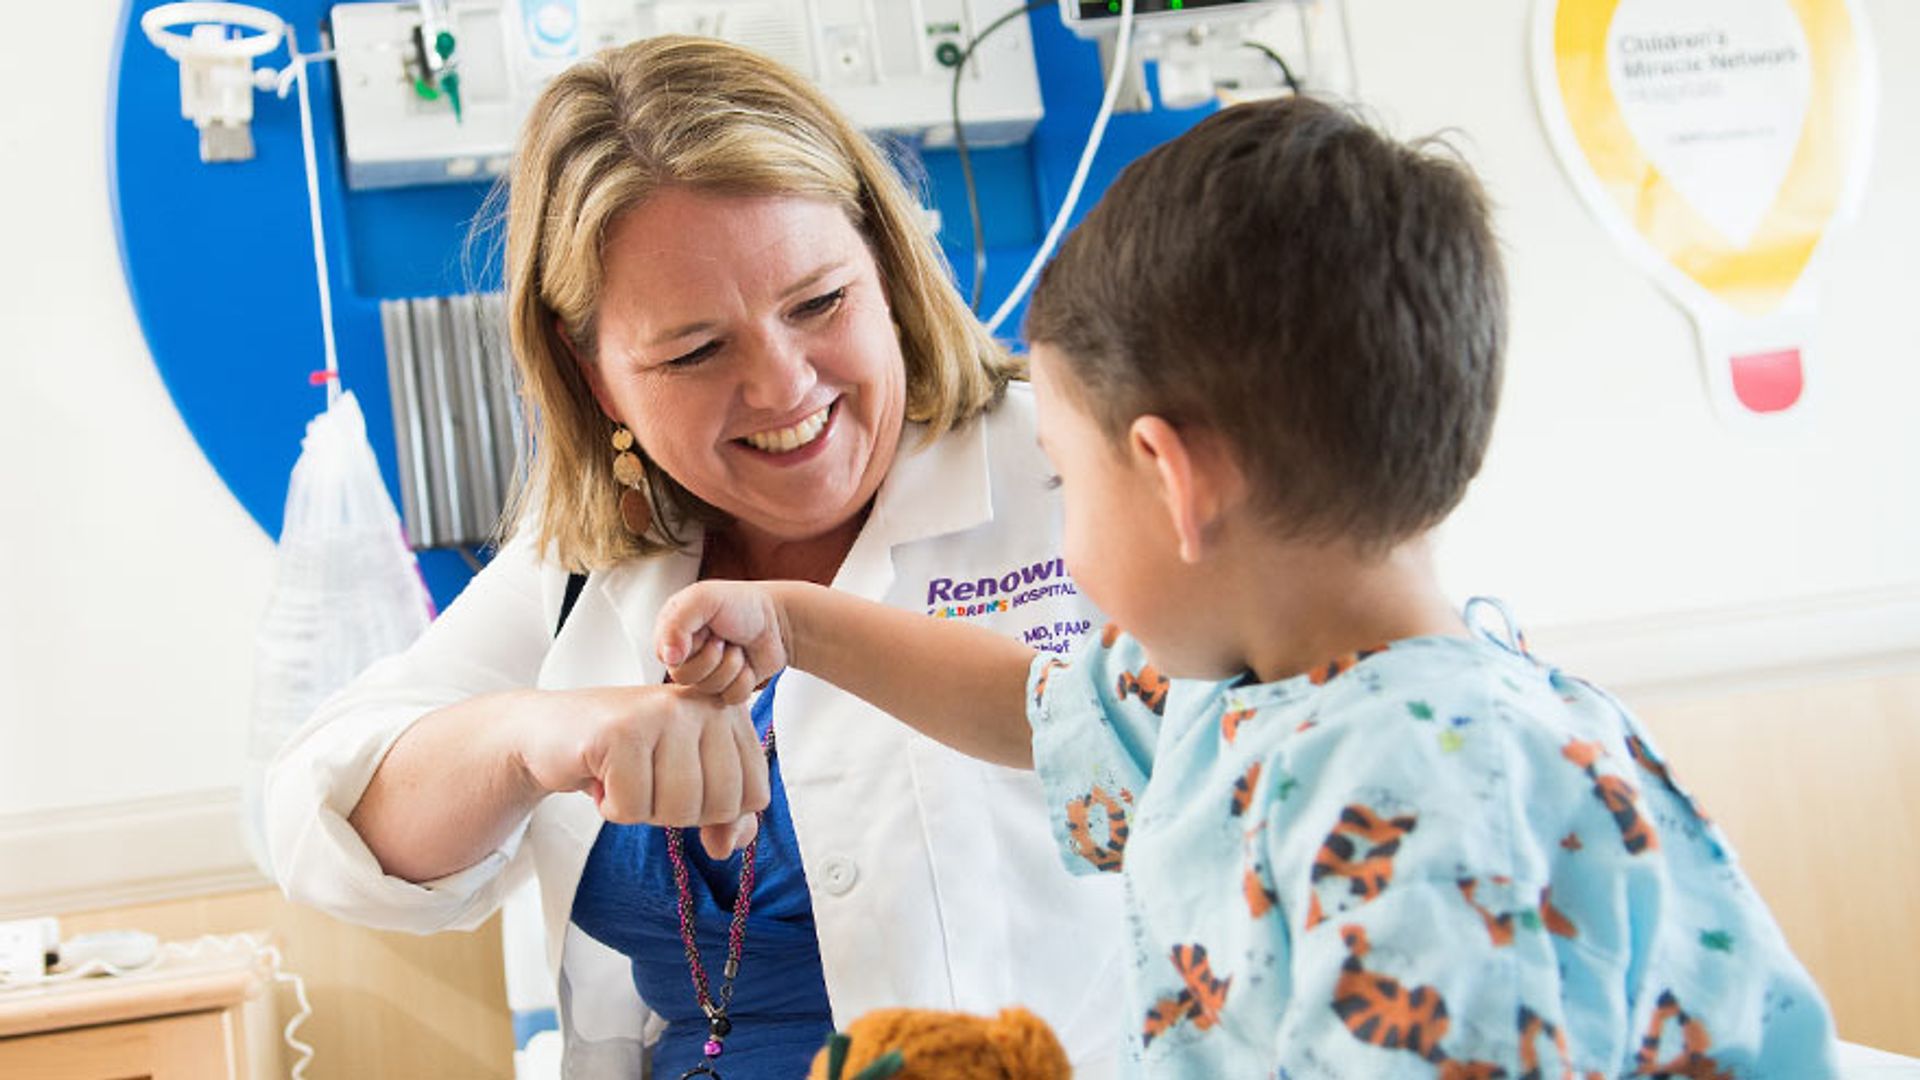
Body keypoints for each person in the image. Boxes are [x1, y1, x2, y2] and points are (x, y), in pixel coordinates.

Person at [655, 96, 1841, 1076]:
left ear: (1171, 480)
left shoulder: (1434, 801)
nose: (1062, 537)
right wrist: (793, 625)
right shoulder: (1247, 686)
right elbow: (1035, 713)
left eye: (1063, 479)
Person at [265, 35, 1126, 1079]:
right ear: (596, 380)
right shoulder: (584, 576)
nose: (783, 386)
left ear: (889, 269)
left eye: (820, 303)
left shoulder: (1078, 475)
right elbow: (317, 827)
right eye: (695, 351)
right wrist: (537, 737)